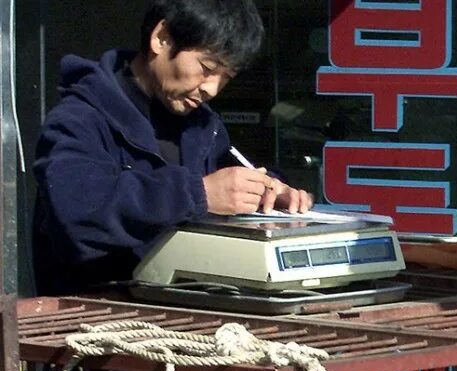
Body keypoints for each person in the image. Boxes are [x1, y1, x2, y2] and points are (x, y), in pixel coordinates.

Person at [32, 0, 313, 297]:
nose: (212, 89)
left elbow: (231, 183)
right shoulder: (80, 118)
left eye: (226, 77)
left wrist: (270, 194)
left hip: (189, 317)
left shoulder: (204, 126)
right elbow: (75, 210)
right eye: (206, 68)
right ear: (161, 38)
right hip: (94, 318)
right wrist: (198, 194)